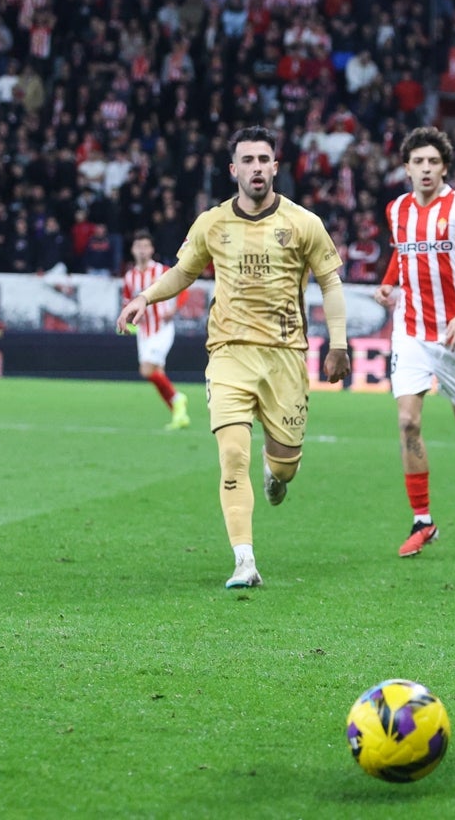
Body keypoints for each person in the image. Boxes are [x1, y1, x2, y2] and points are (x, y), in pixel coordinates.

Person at [117, 125, 351, 589]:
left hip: (285, 356)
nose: (257, 168)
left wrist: (338, 343)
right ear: (234, 170)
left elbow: (331, 282)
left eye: (264, 160)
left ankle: (276, 473)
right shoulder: (212, 223)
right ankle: (244, 561)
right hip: (228, 353)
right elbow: (184, 271)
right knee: (231, 454)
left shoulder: (304, 223)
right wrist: (147, 296)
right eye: (248, 161)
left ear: (275, 167)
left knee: (284, 464)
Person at [373, 127, 455, 558]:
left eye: (433, 162)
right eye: (418, 162)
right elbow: (402, 251)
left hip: (454, 333)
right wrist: (389, 282)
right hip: (409, 328)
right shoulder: (397, 210)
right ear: (406, 167)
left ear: (444, 167)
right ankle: (423, 521)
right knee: (408, 422)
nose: (425, 169)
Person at [120, 229, 190, 429]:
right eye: (138, 246)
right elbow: (127, 303)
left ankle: (178, 399)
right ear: (133, 250)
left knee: (147, 370)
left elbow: (183, 290)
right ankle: (179, 415)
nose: (142, 250)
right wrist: (130, 318)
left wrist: (173, 310)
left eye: (145, 246)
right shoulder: (129, 277)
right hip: (143, 332)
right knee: (157, 374)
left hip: (162, 328)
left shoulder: (162, 271)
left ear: (152, 250)